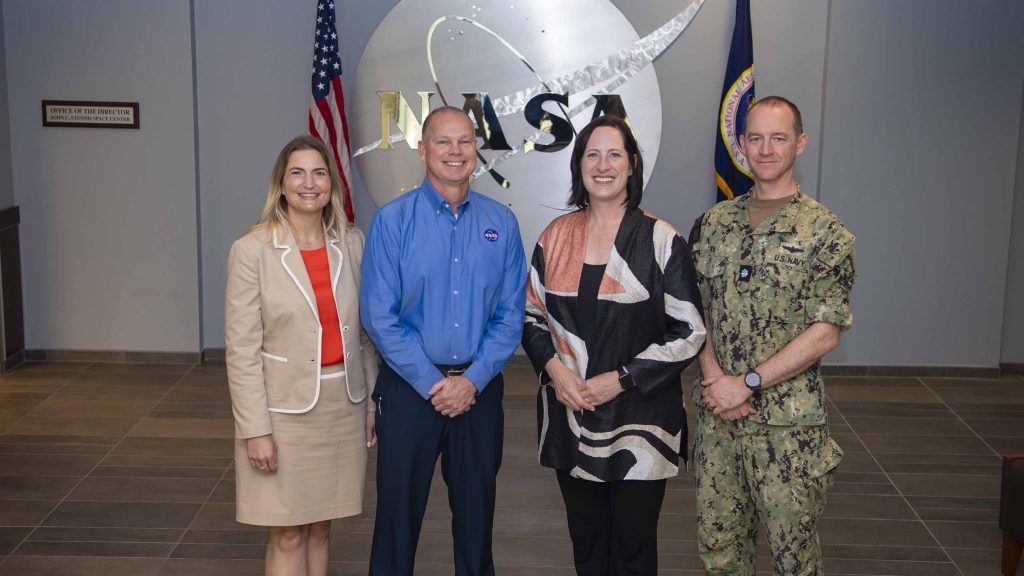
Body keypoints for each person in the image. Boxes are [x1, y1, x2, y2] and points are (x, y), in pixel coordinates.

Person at [521, 114, 706, 575]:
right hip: (571, 416)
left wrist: (621, 380)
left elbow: (689, 332)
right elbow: (530, 316)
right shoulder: (555, 237)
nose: (602, 165)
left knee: (632, 551)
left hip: (640, 422)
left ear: (632, 165)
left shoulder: (662, 241)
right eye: (592, 154)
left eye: (614, 155)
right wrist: (558, 373)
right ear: (579, 165)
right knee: (587, 548)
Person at [689, 96, 856, 575]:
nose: (765, 149)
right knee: (720, 553)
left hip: (787, 430)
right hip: (719, 420)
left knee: (793, 560)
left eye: (778, 138)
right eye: (755, 138)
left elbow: (826, 331)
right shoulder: (713, 224)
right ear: (741, 145)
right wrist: (718, 379)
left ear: (799, 143)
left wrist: (749, 382)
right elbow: (694, 312)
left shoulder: (827, 233)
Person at [359, 106, 526, 576]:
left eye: (465, 142)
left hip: (478, 393)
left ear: (476, 150)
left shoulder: (502, 223)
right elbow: (379, 316)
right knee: (396, 523)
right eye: (443, 142)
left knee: (476, 526)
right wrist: (435, 384)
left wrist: (470, 382)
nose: (455, 152)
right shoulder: (393, 222)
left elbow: (510, 317)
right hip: (411, 393)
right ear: (423, 149)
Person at [225, 135, 379, 576]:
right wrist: (255, 429)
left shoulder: (351, 243)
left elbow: (363, 335)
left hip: (342, 409)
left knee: (320, 529)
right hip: (282, 414)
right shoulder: (252, 250)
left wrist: (370, 400)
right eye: (297, 172)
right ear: (281, 183)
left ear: (331, 183)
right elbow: (241, 351)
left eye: (319, 172)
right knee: (288, 532)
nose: (309, 183)